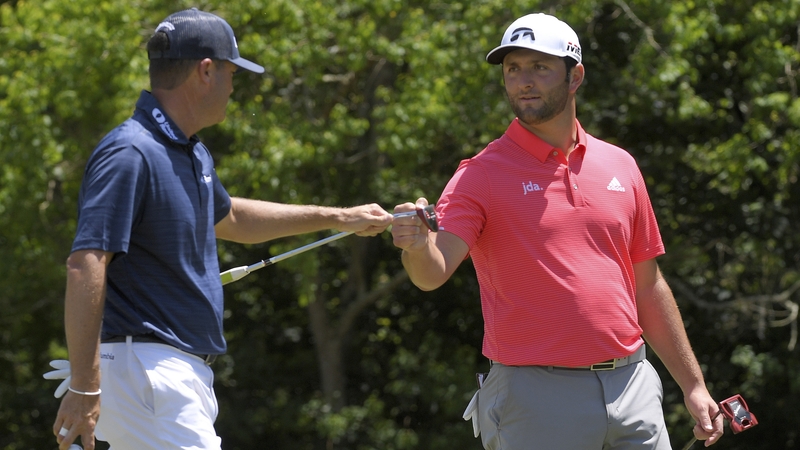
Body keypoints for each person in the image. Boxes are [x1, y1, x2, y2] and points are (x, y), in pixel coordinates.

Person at [51, 8, 392, 450]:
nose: (234, 85)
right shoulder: (131, 151)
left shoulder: (189, 152)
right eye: (232, 71)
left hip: (169, 376)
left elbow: (232, 219)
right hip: (147, 373)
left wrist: (340, 217)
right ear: (206, 71)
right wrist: (85, 384)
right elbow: (85, 263)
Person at [391, 13, 724, 450]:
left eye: (539, 67)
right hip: (535, 397)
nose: (523, 81)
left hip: (634, 387)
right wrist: (417, 246)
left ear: (575, 76)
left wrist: (693, 385)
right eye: (513, 69)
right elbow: (432, 272)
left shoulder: (620, 164)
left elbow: (647, 285)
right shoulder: (481, 174)